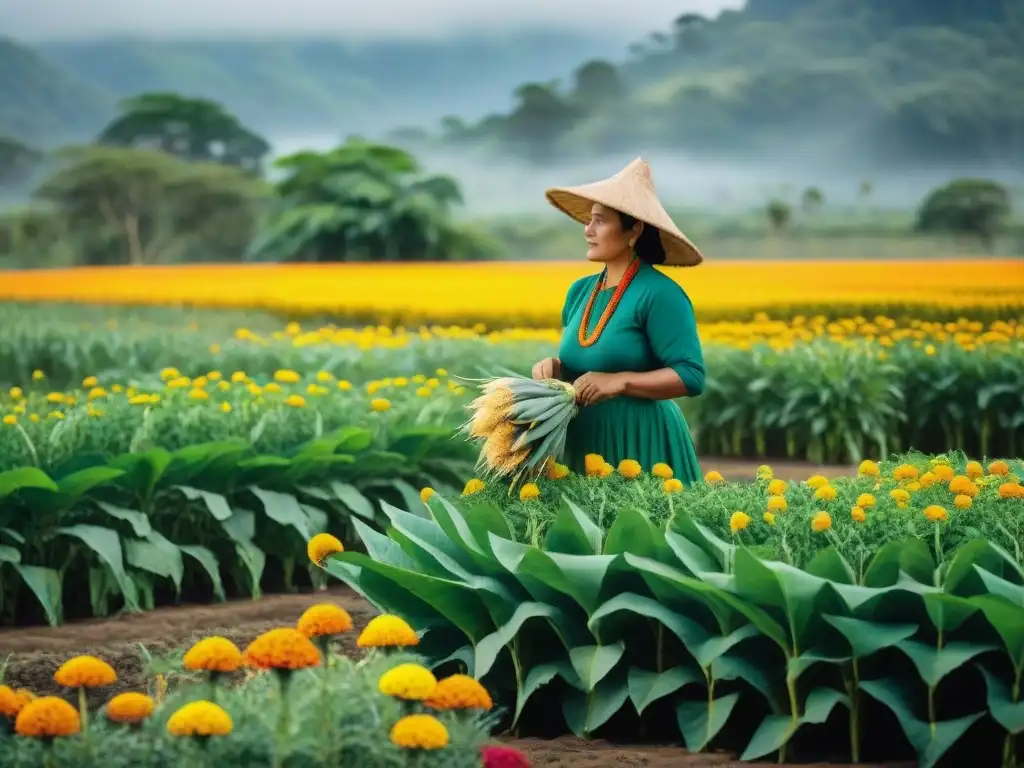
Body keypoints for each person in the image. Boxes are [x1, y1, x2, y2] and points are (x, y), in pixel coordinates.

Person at [530, 157, 706, 483]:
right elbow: (587, 363)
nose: (588, 230)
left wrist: (621, 382)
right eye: (587, 220)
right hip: (584, 438)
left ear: (634, 229)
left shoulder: (660, 294)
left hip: (641, 440)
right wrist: (557, 369)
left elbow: (691, 375)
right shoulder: (580, 291)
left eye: (600, 221)